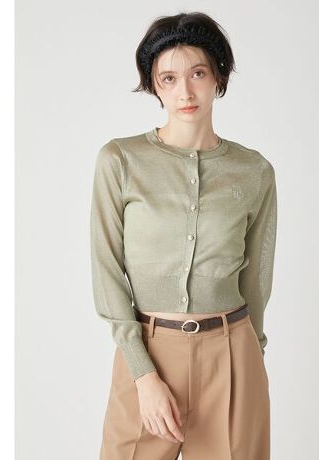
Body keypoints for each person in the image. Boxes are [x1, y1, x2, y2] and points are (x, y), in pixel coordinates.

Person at [90, 11, 277, 460]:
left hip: (232, 356)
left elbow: (257, 280)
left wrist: (249, 363)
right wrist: (143, 374)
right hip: (148, 354)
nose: (185, 92)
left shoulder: (254, 171)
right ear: (154, 86)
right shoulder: (120, 161)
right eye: (169, 78)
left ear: (219, 76)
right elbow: (106, 271)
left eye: (198, 74)